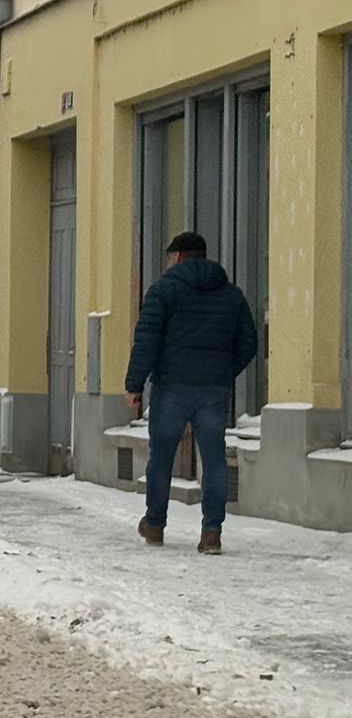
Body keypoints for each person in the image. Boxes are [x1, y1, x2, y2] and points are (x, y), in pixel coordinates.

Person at [124, 231, 259, 555]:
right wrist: (223, 372)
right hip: (213, 390)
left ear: (180, 257)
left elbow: (147, 341)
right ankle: (212, 532)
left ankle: (155, 524)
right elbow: (249, 344)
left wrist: (134, 385)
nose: (169, 262)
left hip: (171, 386)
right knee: (213, 460)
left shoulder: (163, 291)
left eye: (171, 256)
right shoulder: (231, 295)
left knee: (161, 457)